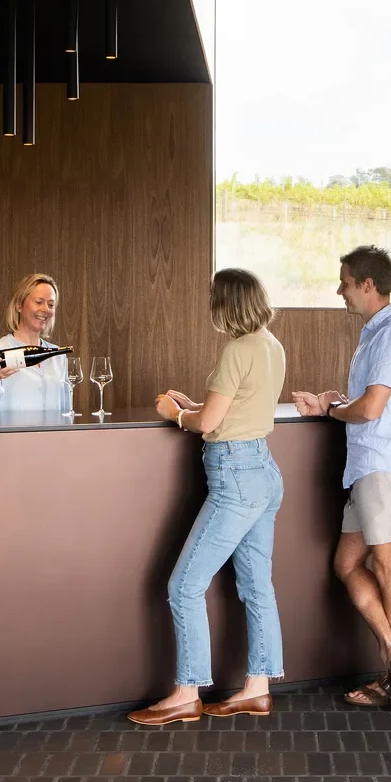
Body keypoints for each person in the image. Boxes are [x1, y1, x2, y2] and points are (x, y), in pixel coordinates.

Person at [128, 268, 287, 726]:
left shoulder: (235, 350)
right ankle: (257, 689)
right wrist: (193, 405)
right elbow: (238, 408)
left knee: (183, 586)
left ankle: (186, 693)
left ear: (226, 305)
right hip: (263, 471)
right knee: (258, 586)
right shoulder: (270, 345)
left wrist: (177, 414)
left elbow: (211, 424)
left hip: (235, 477)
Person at [291, 244, 391, 711]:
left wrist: (334, 407)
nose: (340, 290)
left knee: (390, 567)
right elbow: (366, 402)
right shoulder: (376, 334)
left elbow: (371, 409)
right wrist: (332, 402)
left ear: (368, 285)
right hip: (368, 469)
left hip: (386, 469)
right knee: (348, 565)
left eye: (345, 282)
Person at [0, 273, 69, 412]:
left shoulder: (58, 355)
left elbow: (67, 409)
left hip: (54, 435)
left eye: (51, 304)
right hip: (12, 434)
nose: (45, 310)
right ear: (19, 305)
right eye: (38, 302)